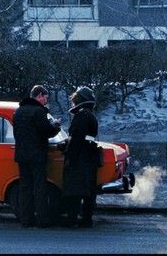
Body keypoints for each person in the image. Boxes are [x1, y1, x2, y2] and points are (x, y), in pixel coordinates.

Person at [12, 84, 62, 228]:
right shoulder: (39, 111)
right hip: (37, 155)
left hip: (21, 154)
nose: (46, 101)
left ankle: (26, 220)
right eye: (45, 98)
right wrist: (56, 125)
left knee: (25, 187)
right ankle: (42, 219)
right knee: (40, 187)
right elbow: (46, 131)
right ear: (39, 95)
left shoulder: (18, 111)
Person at [61, 86, 99, 228]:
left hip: (79, 158)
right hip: (89, 156)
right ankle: (86, 219)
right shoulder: (90, 115)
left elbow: (76, 138)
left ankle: (72, 219)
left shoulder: (81, 116)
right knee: (88, 191)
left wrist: (67, 152)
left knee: (74, 190)